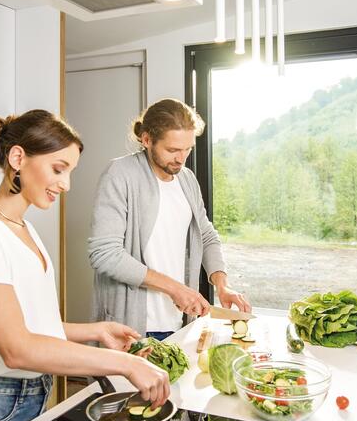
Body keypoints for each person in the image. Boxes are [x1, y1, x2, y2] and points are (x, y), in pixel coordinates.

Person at [0, 110, 171, 421]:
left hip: (29, 398)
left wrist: (95, 330)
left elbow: (32, 326)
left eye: (70, 172)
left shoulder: (24, 229)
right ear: (17, 158)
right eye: (59, 168)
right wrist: (128, 363)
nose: (66, 184)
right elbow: (17, 348)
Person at [89, 98, 251, 341]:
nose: (181, 158)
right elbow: (104, 254)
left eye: (188, 149)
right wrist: (175, 289)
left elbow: (206, 235)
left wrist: (221, 284)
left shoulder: (186, 179)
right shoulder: (120, 174)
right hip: (133, 324)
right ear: (146, 140)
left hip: (179, 320)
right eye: (173, 150)